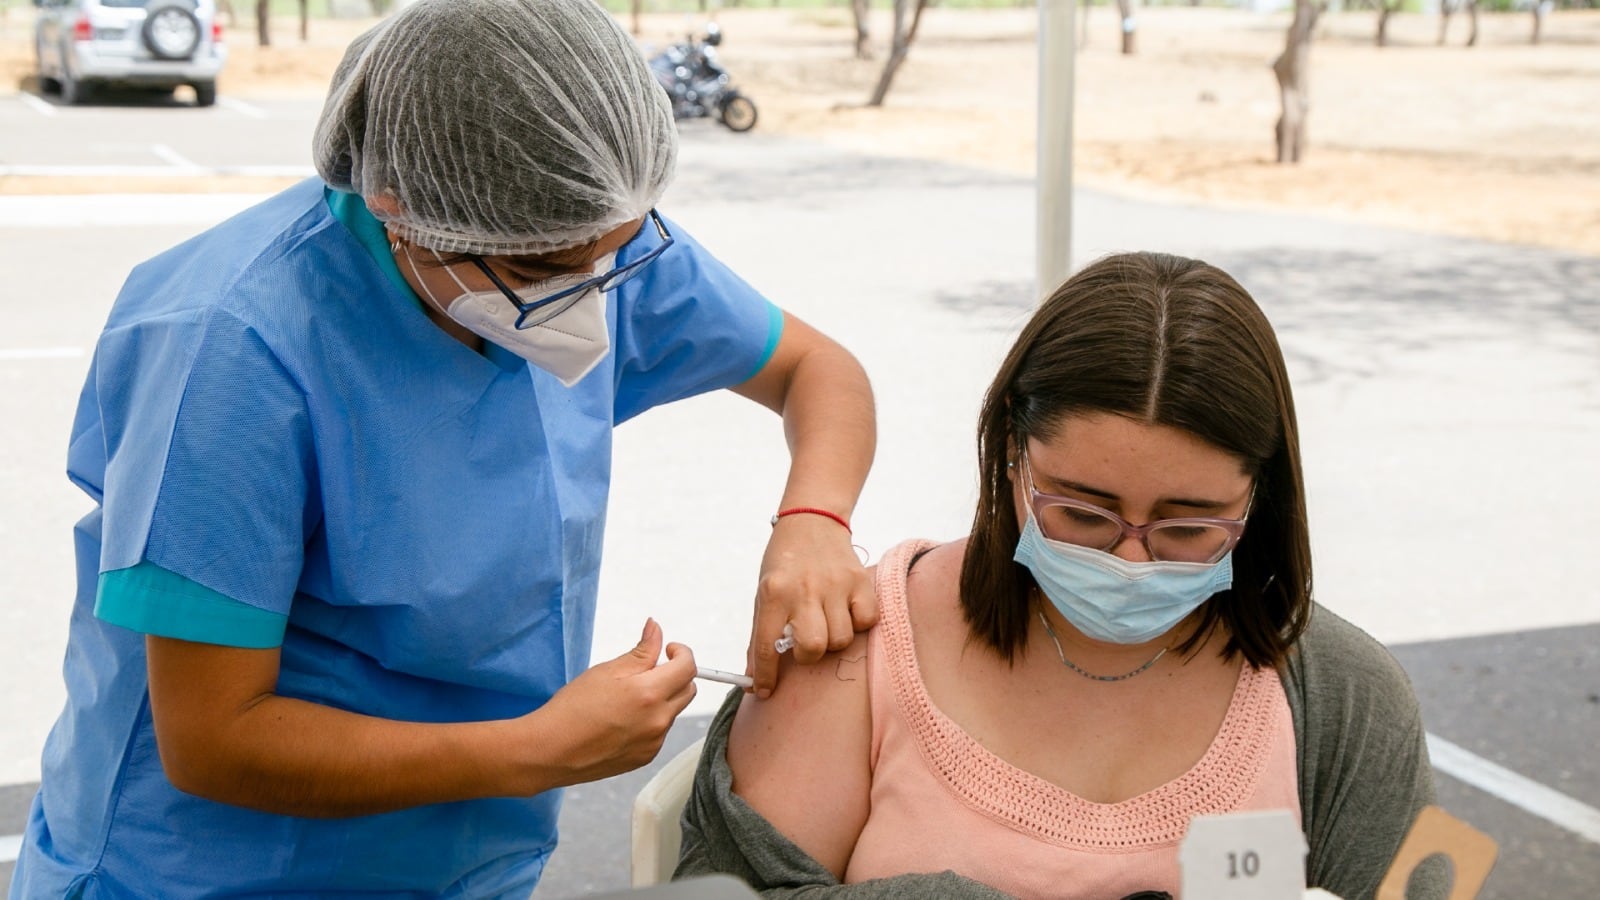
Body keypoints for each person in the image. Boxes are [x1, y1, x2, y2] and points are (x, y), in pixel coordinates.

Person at [11, 0, 877, 896]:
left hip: (468, 857)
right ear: (400, 212)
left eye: (613, 255)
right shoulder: (235, 350)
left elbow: (820, 371)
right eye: (546, 274)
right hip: (217, 869)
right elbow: (213, 741)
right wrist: (536, 749)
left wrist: (813, 521)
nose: (591, 299)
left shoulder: (582, 230)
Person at [677, 252, 1444, 899]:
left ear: (1259, 497)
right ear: (1011, 450)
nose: (1129, 560)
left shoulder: (1347, 696)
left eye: (1187, 526)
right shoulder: (850, 650)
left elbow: (1429, 882)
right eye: (1085, 513)